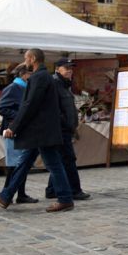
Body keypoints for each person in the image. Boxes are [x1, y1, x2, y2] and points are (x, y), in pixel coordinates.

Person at [0, 49, 74, 212]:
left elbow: (30, 105)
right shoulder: (43, 76)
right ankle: (6, 195)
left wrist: (14, 127)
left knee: (53, 164)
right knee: (25, 162)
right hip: (39, 130)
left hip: (41, 130)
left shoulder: (39, 77)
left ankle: (65, 198)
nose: (24, 60)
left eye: (26, 58)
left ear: (33, 58)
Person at [45, 58, 90, 201]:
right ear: (57, 69)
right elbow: (54, 109)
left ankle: (51, 190)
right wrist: (67, 124)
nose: (70, 70)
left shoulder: (65, 85)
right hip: (60, 129)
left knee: (60, 160)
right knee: (69, 159)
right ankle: (75, 190)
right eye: (66, 68)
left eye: (71, 67)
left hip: (66, 128)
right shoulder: (55, 84)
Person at [0, 64, 38, 203]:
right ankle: (8, 193)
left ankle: (20, 194)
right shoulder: (13, 88)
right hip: (12, 130)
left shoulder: (25, 88)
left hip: (21, 129)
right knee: (15, 163)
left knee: (21, 162)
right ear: (24, 74)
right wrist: (20, 117)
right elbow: (2, 108)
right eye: (31, 74)